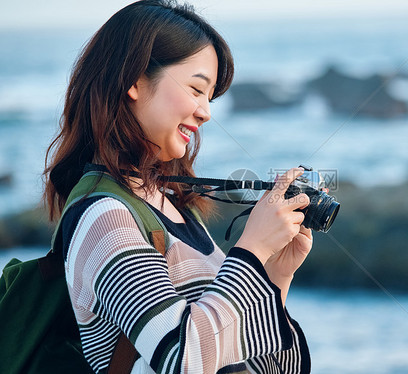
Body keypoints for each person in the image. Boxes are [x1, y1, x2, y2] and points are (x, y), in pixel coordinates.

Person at [43, 1, 313, 373]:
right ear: (134, 81)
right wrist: (251, 251)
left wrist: (274, 275)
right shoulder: (102, 215)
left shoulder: (174, 206)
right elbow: (180, 359)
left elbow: (269, 367)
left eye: (210, 96)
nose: (206, 111)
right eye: (196, 88)